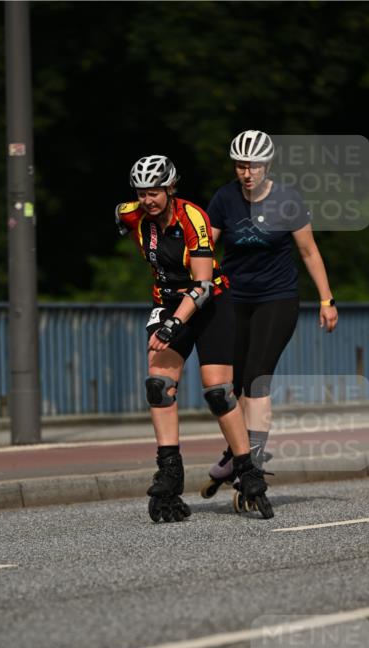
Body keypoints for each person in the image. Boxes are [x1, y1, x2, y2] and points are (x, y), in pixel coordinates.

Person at [116, 154, 273, 521]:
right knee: (158, 385)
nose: (148, 200)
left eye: (155, 192)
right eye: (142, 193)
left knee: (218, 392)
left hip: (209, 302)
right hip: (167, 300)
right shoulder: (131, 213)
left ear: (171, 188)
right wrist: (168, 318)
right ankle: (169, 474)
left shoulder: (193, 218)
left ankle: (247, 470)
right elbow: (121, 214)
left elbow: (201, 286)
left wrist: (173, 325)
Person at [201, 129, 339, 497]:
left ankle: (253, 462)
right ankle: (236, 453)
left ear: (268, 164)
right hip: (233, 299)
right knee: (230, 387)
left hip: (277, 298)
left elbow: (309, 251)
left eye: (254, 166)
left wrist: (326, 300)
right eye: (240, 166)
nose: (247, 173)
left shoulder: (288, 199)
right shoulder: (224, 198)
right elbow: (204, 249)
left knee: (257, 377)